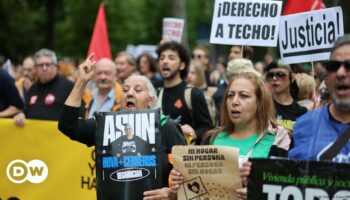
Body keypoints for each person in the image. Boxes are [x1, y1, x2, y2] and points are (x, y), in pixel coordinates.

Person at [58, 54, 186, 199]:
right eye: (125, 90)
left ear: (150, 100)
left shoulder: (166, 127)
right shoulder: (106, 124)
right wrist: (81, 82)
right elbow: (68, 126)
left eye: (137, 90)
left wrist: (172, 194)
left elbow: (189, 178)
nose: (130, 93)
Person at [170, 72, 291, 199]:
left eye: (243, 96)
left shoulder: (278, 141)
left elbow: (287, 190)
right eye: (230, 95)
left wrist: (257, 193)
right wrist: (180, 184)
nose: (234, 101)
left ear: (260, 102)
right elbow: (198, 191)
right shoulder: (211, 138)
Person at [288, 35, 350, 163]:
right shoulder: (302, 125)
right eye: (333, 66)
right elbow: (285, 178)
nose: (340, 73)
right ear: (327, 78)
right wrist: (255, 175)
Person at [156, 41, 213, 144]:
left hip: (185, 157)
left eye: (171, 58)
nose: (165, 61)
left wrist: (193, 133)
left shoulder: (192, 93)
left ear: (182, 65)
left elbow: (207, 127)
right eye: (162, 58)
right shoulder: (156, 93)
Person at [13, 48, 74, 126]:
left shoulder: (68, 86)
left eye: (47, 64)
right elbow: (26, 112)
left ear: (55, 66)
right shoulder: (33, 88)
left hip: (58, 137)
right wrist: (21, 116)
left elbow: (78, 116)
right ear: (36, 68)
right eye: (40, 65)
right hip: (34, 136)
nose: (44, 68)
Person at [265, 60, 308, 130]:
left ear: (292, 77)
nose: (274, 78)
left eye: (280, 74)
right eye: (271, 75)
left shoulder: (302, 111)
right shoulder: (262, 105)